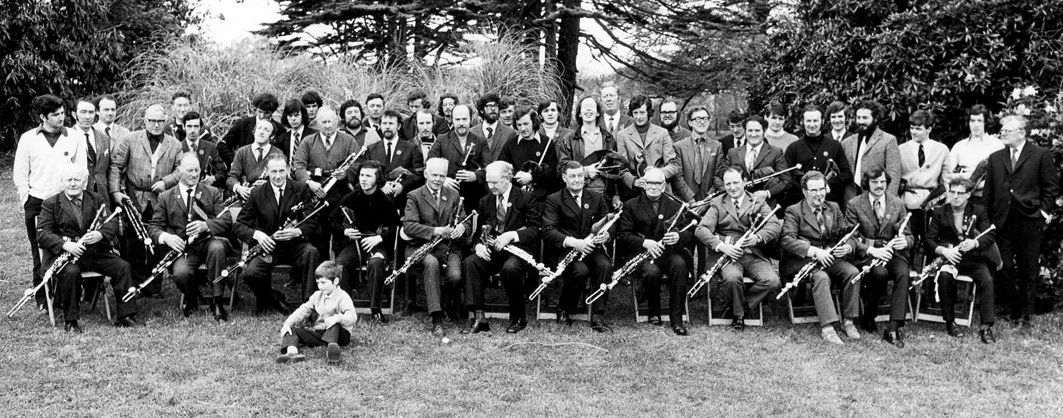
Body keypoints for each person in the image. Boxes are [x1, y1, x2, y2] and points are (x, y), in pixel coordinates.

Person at [37, 163, 141, 332]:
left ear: (84, 182)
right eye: (68, 180)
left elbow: (111, 222)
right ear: (62, 182)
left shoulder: (96, 199)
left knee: (122, 266)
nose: (72, 183)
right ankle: (71, 321)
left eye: (76, 179)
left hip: (94, 253)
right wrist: (66, 245)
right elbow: (42, 234)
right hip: (65, 256)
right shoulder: (51, 204)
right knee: (71, 272)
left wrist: (101, 234)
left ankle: (126, 315)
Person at [984, 114, 1060, 325]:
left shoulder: (1039, 155)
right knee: (1004, 267)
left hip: (1029, 220)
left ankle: (1027, 313)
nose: (1003, 133)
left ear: (1021, 133)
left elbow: (1051, 186)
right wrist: (988, 220)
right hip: (1002, 221)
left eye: (1007, 131)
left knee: (1028, 269)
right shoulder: (996, 158)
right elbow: (988, 192)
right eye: (1003, 130)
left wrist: (1043, 213)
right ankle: (1012, 309)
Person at [14, 94, 87, 308]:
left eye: (63, 113)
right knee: (40, 251)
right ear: (42, 117)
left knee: (69, 247)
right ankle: (43, 298)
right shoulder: (28, 138)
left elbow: (82, 169)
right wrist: (26, 198)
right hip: (37, 202)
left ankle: (69, 293)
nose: (61, 118)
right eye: (55, 115)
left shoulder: (74, 137)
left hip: (67, 202)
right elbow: (20, 172)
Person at [109, 104, 184, 297]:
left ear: (166, 121)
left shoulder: (174, 144)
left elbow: (180, 170)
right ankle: (135, 282)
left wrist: (166, 183)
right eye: (152, 121)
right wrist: (116, 192)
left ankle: (153, 285)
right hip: (134, 197)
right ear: (145, 121)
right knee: (133, 241)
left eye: (160, 121)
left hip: (160, 199)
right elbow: (117, 166)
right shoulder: (131, 139)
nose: (156, 125)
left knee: (157, 240)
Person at [148, 153, 233, 321]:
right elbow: (154, 227)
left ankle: (217, 302)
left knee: (217, 248)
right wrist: (167, 237)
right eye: (190, 170)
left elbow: (226, 219)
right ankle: (192, 298)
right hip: (185, 249)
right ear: (179, 171)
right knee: (180, 273)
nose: (194, 174)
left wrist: (206, 225)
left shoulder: (212, 192)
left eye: (197, 170)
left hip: (208, 242)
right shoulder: (166, 197)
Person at [695, 166, 782, 330]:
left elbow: (774, 225)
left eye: (736, 183)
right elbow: (701, 229)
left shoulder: (757, 201)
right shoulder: (717, 203)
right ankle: (738, 315)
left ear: (745, 182)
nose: (732, 188)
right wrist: (722, 246)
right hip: (728, 256)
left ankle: (743, 305)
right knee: (732, 278)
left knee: (772, 281)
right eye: (728, 184)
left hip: (752, 253)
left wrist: (757, 238)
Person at [780, 171, 860, 344]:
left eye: (821, 189)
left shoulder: (834, 207)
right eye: (813, 190)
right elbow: (787, 240)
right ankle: (828, 327)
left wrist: (847, 247)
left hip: (830, 258)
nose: (819, 194)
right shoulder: (793, 211)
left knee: (853, 273)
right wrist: (815, 251)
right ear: (804, 191)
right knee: (821, 277)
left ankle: (848, 321)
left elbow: (849, 234)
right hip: (803, 261)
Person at [233, 156, 321, 314]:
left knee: (312, 253)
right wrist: (257, 235)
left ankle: (309, 306)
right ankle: (272, 297)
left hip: (295, 245)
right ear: (266, 172)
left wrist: (297, 232)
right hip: (269, 246)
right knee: (250, 273)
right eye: (274, 171)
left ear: (288, 170)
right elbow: (239, 225)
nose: (278, 176)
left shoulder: (301, 189)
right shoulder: (257, 193)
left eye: (282, 171)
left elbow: (313, 221)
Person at [462, 161, 542, 334]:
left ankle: (518, 317)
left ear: (508, 178)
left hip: (518, 251)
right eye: (488, 182)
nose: (490, 186)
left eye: (495, 182)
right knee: (471, 262)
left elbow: (535, 229)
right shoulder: (485, 201)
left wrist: (512, 235)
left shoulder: (526, 198)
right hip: (493, 251)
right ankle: (479, 316)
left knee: (510, 269)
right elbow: (479, 232)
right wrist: (478, 246)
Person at [618, 167, 694, 335]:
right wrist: (645, 243)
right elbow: (623, 235)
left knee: (680, 265)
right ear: (643, 185)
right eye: (649, 183)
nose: (653, 187)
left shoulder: (675, 205)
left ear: (663, 185)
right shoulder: (631, 205)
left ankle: (677, 319)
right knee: (651, 272)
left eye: (657, 183)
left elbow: (690, 232)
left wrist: (678, 236)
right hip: (641, 254)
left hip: (668, 253)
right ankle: (654, 311)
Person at [542, 161, 615, 332]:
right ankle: (564, 308)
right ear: (564, 178)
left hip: (591, 249)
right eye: (572, 176)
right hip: (565, 250)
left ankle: (598, 316)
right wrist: (575, 243)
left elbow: (609, 222)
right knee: (580, 271)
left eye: (580, 176)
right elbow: (548, 231)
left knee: (605, 266)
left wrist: (607, 233)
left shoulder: (596, 197)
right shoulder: (554, 199)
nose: (577, 180)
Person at [401, 158, 471, 335]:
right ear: (426, 174)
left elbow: (465, 220)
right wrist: (437, 230)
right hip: (420, 246)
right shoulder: (414, 195)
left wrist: (463, 227)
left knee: (455, 276)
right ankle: (436, 317)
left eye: (442, 175)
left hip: (448, 247)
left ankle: (447, 303)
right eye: (434, 175)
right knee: (431, 264)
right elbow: (409, 226)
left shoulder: (453, 195)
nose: (438, 179)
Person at [844, 168, 912, 347]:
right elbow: (850, 237)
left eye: (882, 181)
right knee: (879, 273)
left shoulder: (897, 203)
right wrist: (871, 250)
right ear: (867, 183)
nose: (879, 185)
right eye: (875, 182)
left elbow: (909, 234)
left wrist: (904, 241)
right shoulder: (854, 204)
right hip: (868, 255)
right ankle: (869, 314)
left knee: (903, 273)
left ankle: (893, 327)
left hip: (892, 253)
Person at [925, 178, 999, 343]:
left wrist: (975, 243)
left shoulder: (978, 211)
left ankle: (986, 327)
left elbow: (990, 235)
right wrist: (945, 251)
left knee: (987, 280)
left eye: (960, 193)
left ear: (968, 195)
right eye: (952, 192)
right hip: (950, 258)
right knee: (944, 278)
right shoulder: (939, 212)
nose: (955, 196)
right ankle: (950, 322)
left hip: (972, 259)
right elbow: (929, 240)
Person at [330, 161, 400, 322]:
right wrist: (345, 231)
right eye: (362, 175)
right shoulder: (350, 198)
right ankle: (345, 308)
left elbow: (395, 227)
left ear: (378, 179)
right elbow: (332, 221)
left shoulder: (385, 201)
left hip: (377, 244)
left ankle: (376, 309)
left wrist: (379, 238)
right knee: (341, 263)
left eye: (368, 176)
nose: (364, 179)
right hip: (353, 244)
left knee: (376, 263)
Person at [293, 106, 360, 258]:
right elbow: (298, 165)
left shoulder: (348, 140)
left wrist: (346, 173)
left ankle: (340, 270)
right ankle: (318, 270)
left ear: (337, 121)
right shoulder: (308, 141)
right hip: (316, 195)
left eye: (330, 121)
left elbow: (358, 163)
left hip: (340, 196)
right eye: (323, 122)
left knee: (341, 234)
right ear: (317, 123)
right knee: (317, 234)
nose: (328, 125)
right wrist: (309, 182)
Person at [275, 261, 357, 365]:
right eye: (318, 283)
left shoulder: (343, 296)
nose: (320, 286)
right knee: (291, 330)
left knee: (334, 324)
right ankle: (292, 353)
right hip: (320, 333)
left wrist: (338, 318)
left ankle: (332, 353)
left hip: (340, 334)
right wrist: (288, 323)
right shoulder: (317, 295)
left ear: (335, 281)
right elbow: (303, 310)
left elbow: (352, 317)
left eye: (323, 283)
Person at [898, 110, 948, 259]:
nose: (914, 132)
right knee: (907, 242)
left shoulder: (941, 149)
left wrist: (945, 205)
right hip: (907, 202)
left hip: (931, 203)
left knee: (931, 243)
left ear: (929, 129)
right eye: (912, 128)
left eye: (918, 128)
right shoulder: (901, 149)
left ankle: (929, 279)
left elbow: (947, 180)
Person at [353, 109, 425, 210]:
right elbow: (362, 175)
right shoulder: (371, 149)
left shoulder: (411, 148)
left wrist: (402, 186)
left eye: (391, 123)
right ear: (380, 126)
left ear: (399, 126)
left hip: (403, 203)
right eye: (384, 123)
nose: (387, 126)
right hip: (376, 204)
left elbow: (418, 174)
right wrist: (381, 186)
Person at [784, 104, 852, 207]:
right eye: (808, 121)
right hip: (800, 204)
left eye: (815, 121)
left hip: (829, 204)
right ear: (802, 122)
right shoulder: (793, 148)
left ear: (822, 121)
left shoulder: (834, 146)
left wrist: (829, 185)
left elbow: (846, 173)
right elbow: (786, 177)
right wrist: (805, 189)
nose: (812, 124)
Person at [615, 95, 680, 200]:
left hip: (661, 191)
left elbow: (673, 165)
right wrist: (634, 181)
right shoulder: (622, 135)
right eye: (635, 113)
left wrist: (656, 173)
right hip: (634, 194)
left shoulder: (662, 133)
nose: (638, 117)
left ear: (649, 113)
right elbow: (621, 168)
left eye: (642, 112)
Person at [557, 96, 619, 206]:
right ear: (580, 114)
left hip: (604, 196)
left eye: (592, 106)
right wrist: (584, 171)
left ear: (598, 113)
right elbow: (562, 167)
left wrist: (616, 195)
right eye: (585, 107)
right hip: (578, 196)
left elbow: (616, 169)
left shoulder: (608, 138)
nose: (588, 109)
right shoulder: (569, 139)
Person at [721, 116, 791, 209]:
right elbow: (719, 177)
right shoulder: (732, 153)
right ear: (745, 132)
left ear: (764, 131)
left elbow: (786, 180)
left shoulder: (776, 152)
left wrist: (767, 193)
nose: (753, 134)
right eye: (750, 131)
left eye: (757, 131)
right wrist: (732, 192)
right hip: (736, 207)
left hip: (766, 206)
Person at [428, 104, 487, 213]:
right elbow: (429, 166)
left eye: (464, 119)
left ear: (470, 120)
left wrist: (475, 176)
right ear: (452, 120)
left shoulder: (481, 141)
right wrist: (443, 180)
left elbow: (488, 167)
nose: (461, 123)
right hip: (447, 197)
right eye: (457, 119)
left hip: (475, 197)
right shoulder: (442, 140)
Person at [841, 100, 901, 202]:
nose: (860, 121)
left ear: (875, 118)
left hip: (877, 198)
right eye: (858, 117)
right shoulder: (847, 142)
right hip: (851, 200)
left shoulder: (888, 140)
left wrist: (887, 202)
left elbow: (894, 175)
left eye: (865, 118)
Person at [943, 105, 1004, 205]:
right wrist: (962, 177)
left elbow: (1001, 176)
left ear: (986, 122)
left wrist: (978, 184)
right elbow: (947, 174)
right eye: (972, 121)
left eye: (979, 121)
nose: (975, 125)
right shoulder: (959, 146)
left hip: (988, 198)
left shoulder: (997, 145)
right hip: (962, 198)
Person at [498, 107, 560, 199]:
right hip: (516, 198)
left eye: (526, 124)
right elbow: (502, 167)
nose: (523, 128)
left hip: (541, 199)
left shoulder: (547, 143)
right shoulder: (510, 145)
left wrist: (532, 177)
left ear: (534, 122)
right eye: (519, 125)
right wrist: (517, 176)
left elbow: (552, 170)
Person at [671, 106, 724, 203]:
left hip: (710, 202)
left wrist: (709, 198)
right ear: (690, 122)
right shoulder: (679, 147)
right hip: (687, 203)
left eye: (705, 119)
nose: (702, 122)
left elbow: (719, 175)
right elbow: (678, 177)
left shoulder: (717, 146)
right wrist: (691, 201)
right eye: (698, 119)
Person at [227, 118, 286, 201]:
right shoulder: (242, 152)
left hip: (268, 198)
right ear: (254, 132)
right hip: (245, 198)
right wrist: (239, 188)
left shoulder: (277, 153)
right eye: (259, 128)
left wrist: (269, 185)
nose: (261, 132)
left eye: (266, 130)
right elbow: (232, 177)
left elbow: (283, 179)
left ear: (272, 136)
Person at [220, 93, 284, 161]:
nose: (262, 116)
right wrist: (233, 162)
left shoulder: (280, 130)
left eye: (266, 113)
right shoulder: (243, 124)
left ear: (272, 112)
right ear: (256, 109)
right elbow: (222, 145)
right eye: (259, 111)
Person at [71, 97, 114, 197]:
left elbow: (108, 169)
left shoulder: (104, 138)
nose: (87, 116)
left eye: (91, 112)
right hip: (78, 194)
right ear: (74, 115)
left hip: (101, 194)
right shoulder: (67, 138)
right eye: (83, 112)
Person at [181, 111, 228, 188]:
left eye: (196, 126)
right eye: (189, 126)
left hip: (206, 191)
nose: (192, 130)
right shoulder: (177, 148)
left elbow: (222, 171)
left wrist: (213, 178)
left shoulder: (211, 147)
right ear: (183, 127)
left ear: (201, 127)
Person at [472, 93, 516, 165]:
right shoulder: (472, 132)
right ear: (481, 110)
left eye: (495, 106)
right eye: (489, 106)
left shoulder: (510, 133)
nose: (493, 109)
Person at [276, 99, 319, 166]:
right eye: (290, 116)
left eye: (296, 115)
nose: (293, 119)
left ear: (303, 115)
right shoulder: (281, 139)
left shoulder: (314, 136)